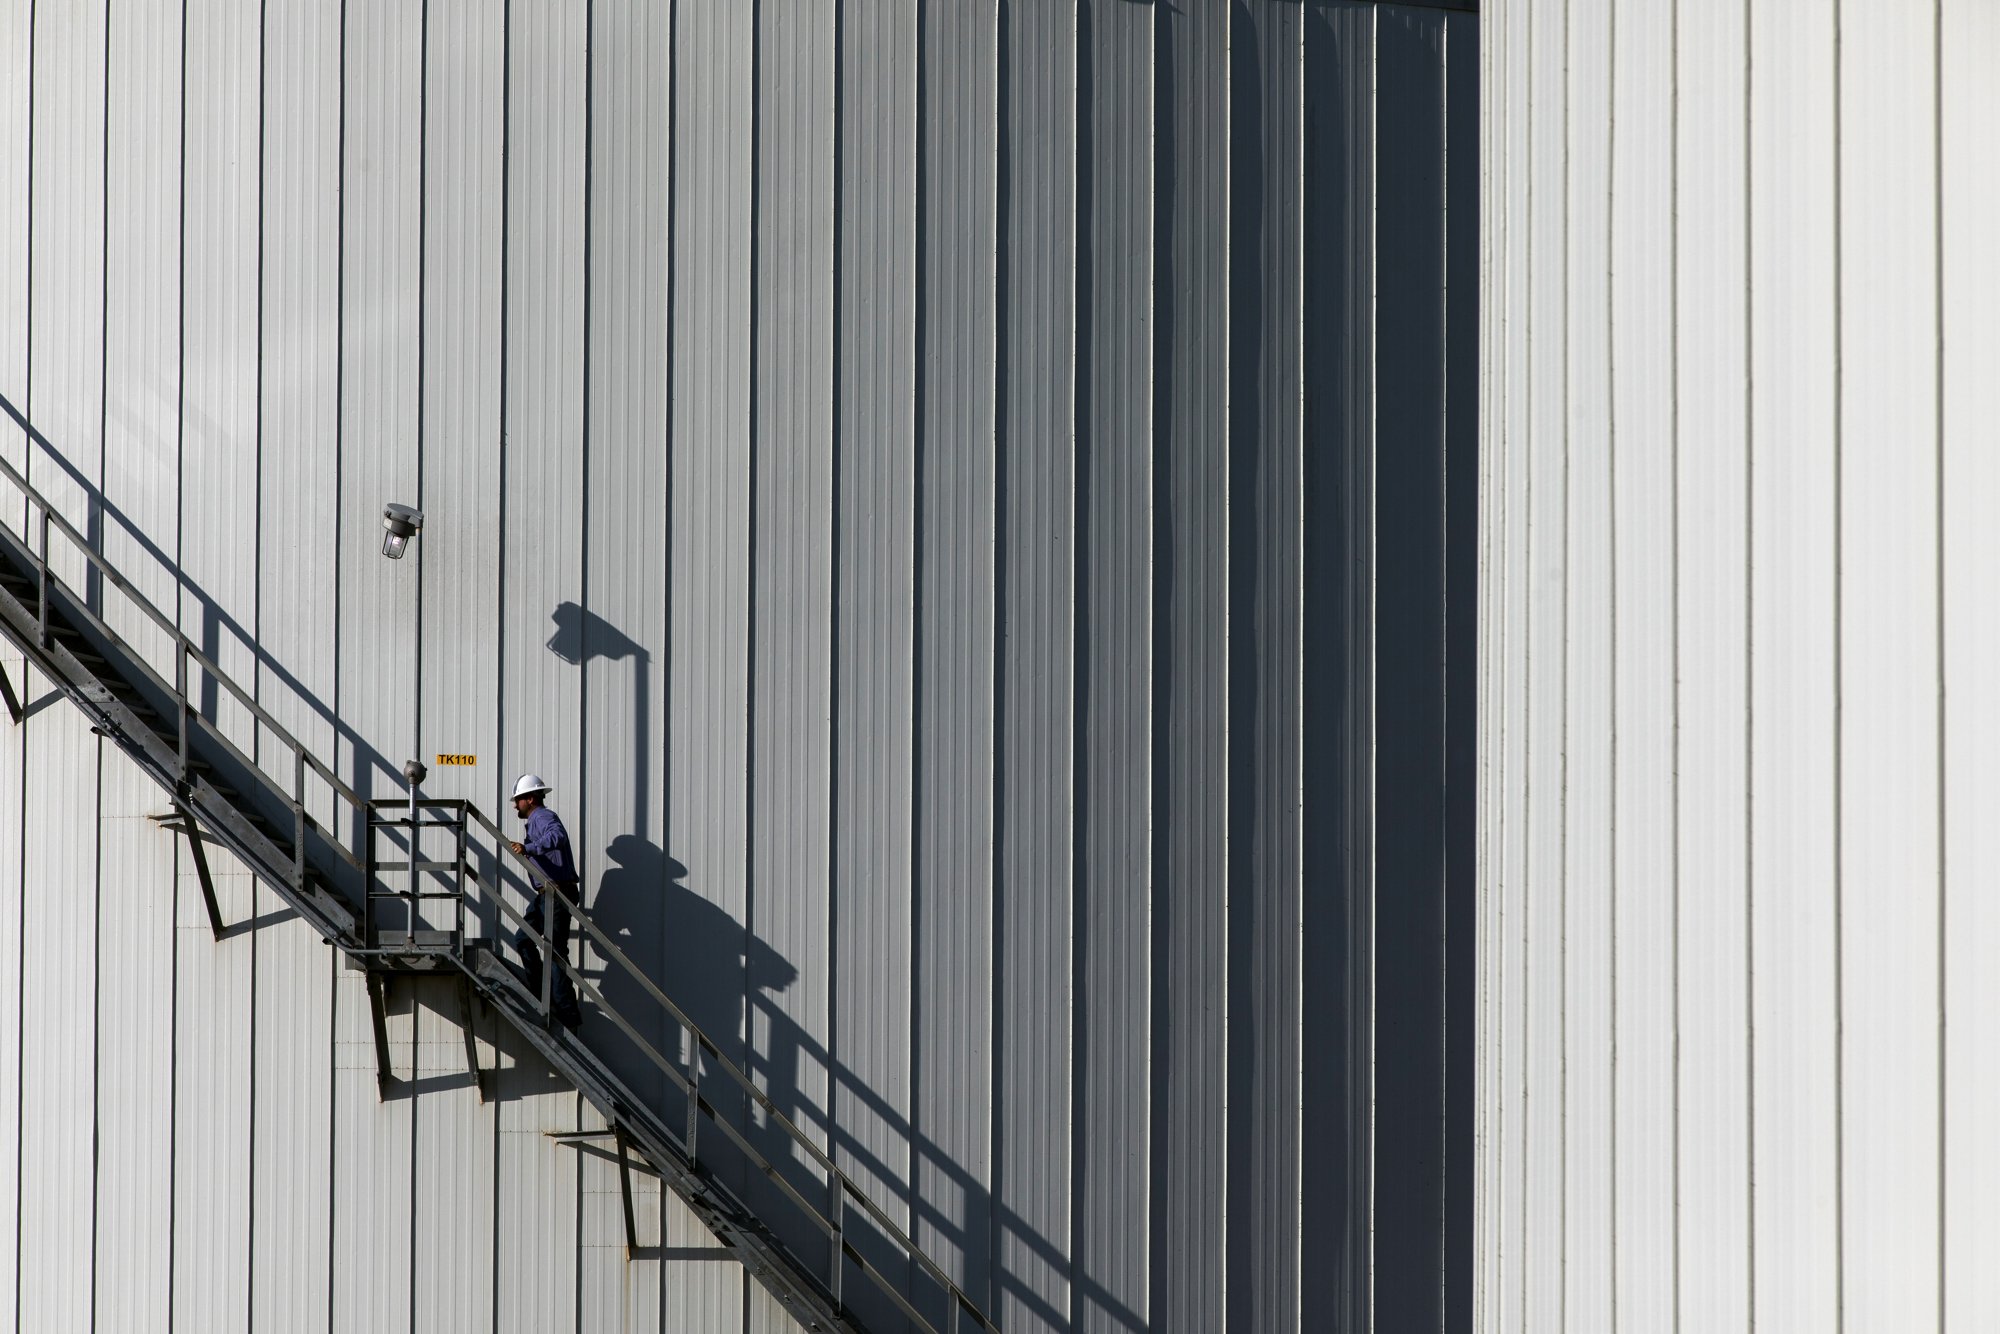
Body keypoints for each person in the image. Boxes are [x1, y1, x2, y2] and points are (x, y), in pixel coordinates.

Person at [507, 773, 584, 1030]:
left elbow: (557, 837)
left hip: (556, 894)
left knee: (555, 953)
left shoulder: (542, 817)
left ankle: (566, 1014)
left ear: (530, 799)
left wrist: (528, 848)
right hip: (548, 894)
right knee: (523, 939)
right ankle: (544, 995)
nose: (515, 805)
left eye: (518, 800)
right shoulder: (535, 821)